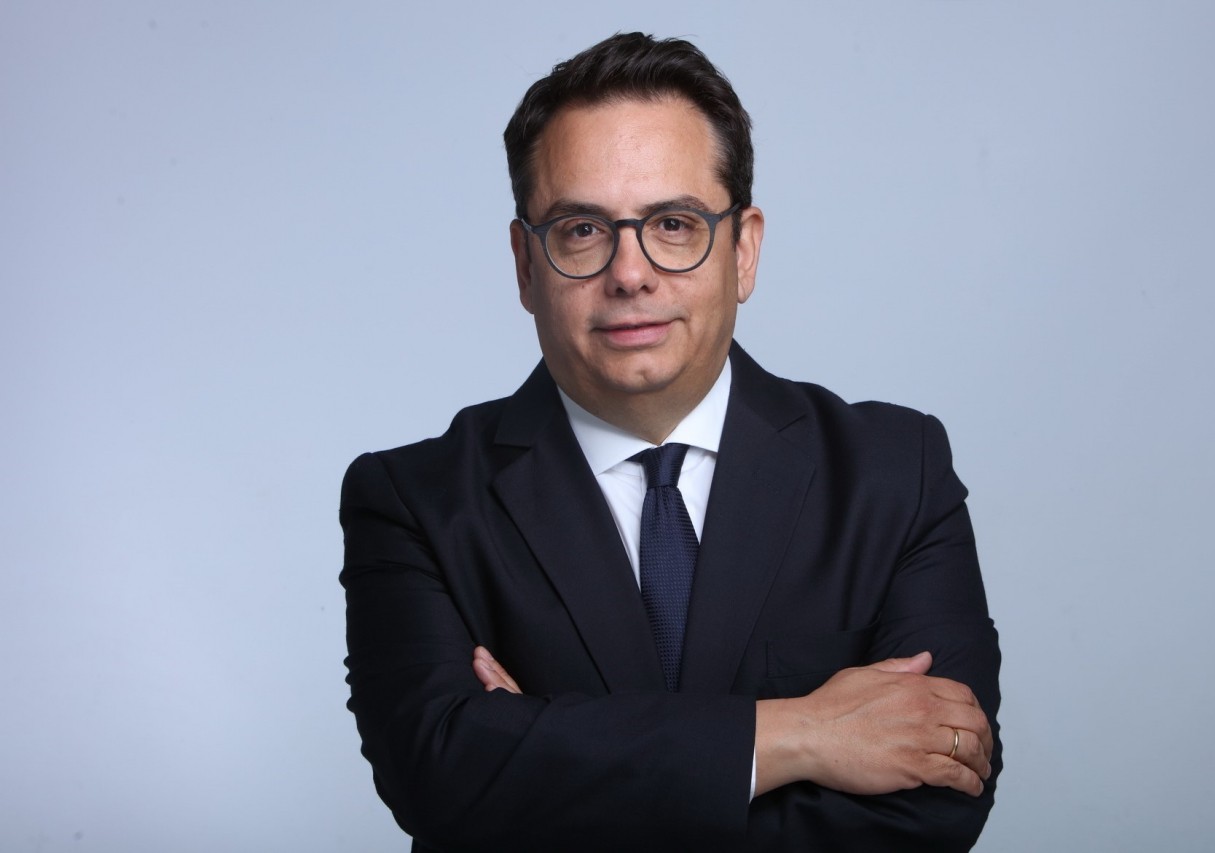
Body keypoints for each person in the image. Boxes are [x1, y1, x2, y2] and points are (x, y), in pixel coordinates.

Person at [340, 32, 1001, 852]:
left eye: (675, 223)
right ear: (525, 264)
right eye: (582, 229)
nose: (630, 273)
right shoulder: (415, 502)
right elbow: (441, 777)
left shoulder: (895, 473)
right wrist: (797, 733)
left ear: (743, 249)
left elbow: (937, 791)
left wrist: (545, 758)